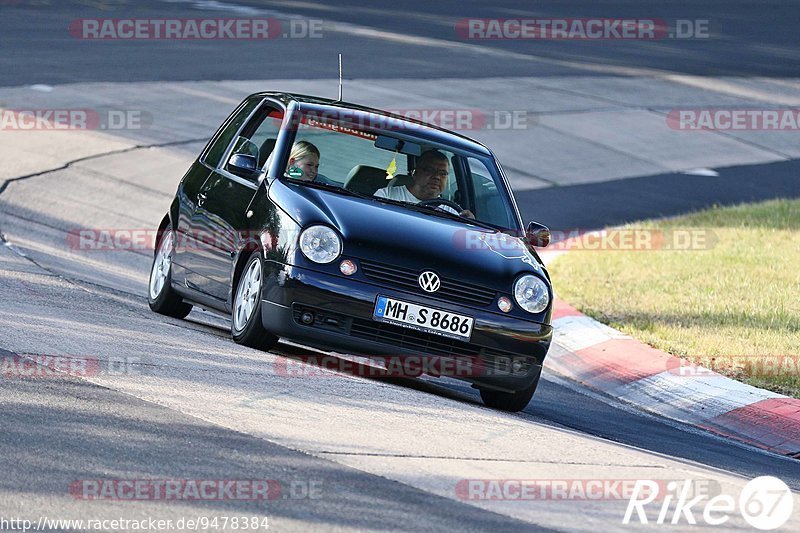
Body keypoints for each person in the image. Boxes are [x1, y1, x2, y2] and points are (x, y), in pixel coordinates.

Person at [374, 149, 473, 217]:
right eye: (430, 170)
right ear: (415, 173)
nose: (437, 177)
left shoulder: (452, 213)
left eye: (443, 173)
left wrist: (469, 225)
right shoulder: (386, 196)